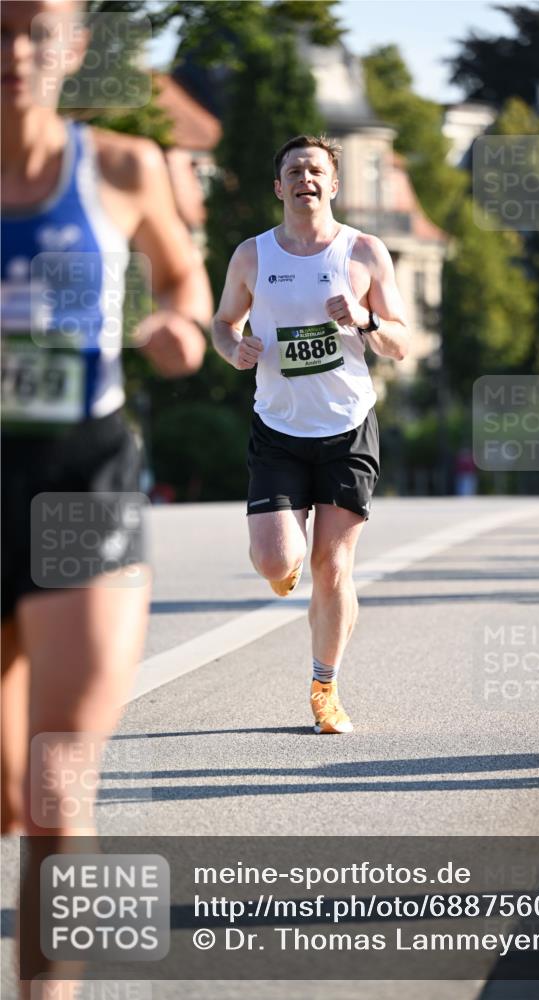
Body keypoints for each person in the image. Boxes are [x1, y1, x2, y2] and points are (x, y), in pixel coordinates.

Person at [1, 1, 211, 988]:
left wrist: (181, 326)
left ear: (72, 44)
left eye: (34, 27)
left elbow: (185, 283)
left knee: (56, 787)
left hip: (85, 474)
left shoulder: (122, 166)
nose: (13, 50)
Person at [212, 134, 408, 733]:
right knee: (276, 561)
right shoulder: (252, 256)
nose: (305, 179)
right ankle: (285, 561)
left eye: (316, 170)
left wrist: (365, 319)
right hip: (277, 427)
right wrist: (234, 349)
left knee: (334, 567)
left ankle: (325, 688)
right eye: (294, 171)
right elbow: (222, 324)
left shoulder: (366, 252)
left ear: (333, 184)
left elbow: (402, 342)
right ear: (279, 187)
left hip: (347, 427)